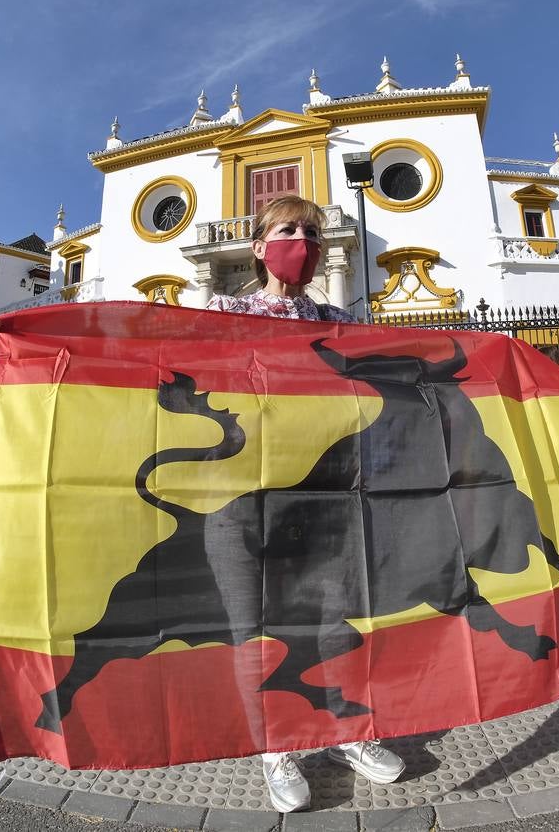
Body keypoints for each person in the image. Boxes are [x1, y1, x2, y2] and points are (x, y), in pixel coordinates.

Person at [207, 195, 405, 812]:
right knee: (255, 624)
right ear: (260, 245)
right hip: (242, 498)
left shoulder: (336, 318)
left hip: (325, 497)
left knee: (335, 617)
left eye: (312, 232)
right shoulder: (224, 309)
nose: (303, 241)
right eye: (288, 229)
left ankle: (348, 729)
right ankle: (276, 745)